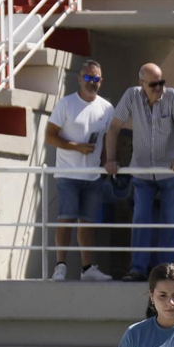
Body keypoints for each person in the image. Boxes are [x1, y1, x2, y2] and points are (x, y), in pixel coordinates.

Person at [105, 63, 174, 282]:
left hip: (170, 173)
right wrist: (111, 159)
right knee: (141, 219)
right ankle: (138, 269)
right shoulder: (131, 96)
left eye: (161, 82)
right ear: (141, 84)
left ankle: (167, 271)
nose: (159, 87)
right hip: (142, 172)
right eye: (153, 84)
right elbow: (114, 126)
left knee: (170, 221)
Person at [46, 60, 115, 281]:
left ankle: (87, 269)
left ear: (101, 81)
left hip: (93, 175)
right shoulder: (65, 104)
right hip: (67, 174)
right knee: (65, 220)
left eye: (95, 79)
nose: (91, 82)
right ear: (79, 79)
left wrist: (109, 163)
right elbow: (49, 135)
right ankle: (60, 266)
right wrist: (76, 148)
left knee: (87, 223)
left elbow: (108, 139)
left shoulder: (107, 108)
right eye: (87, 78)